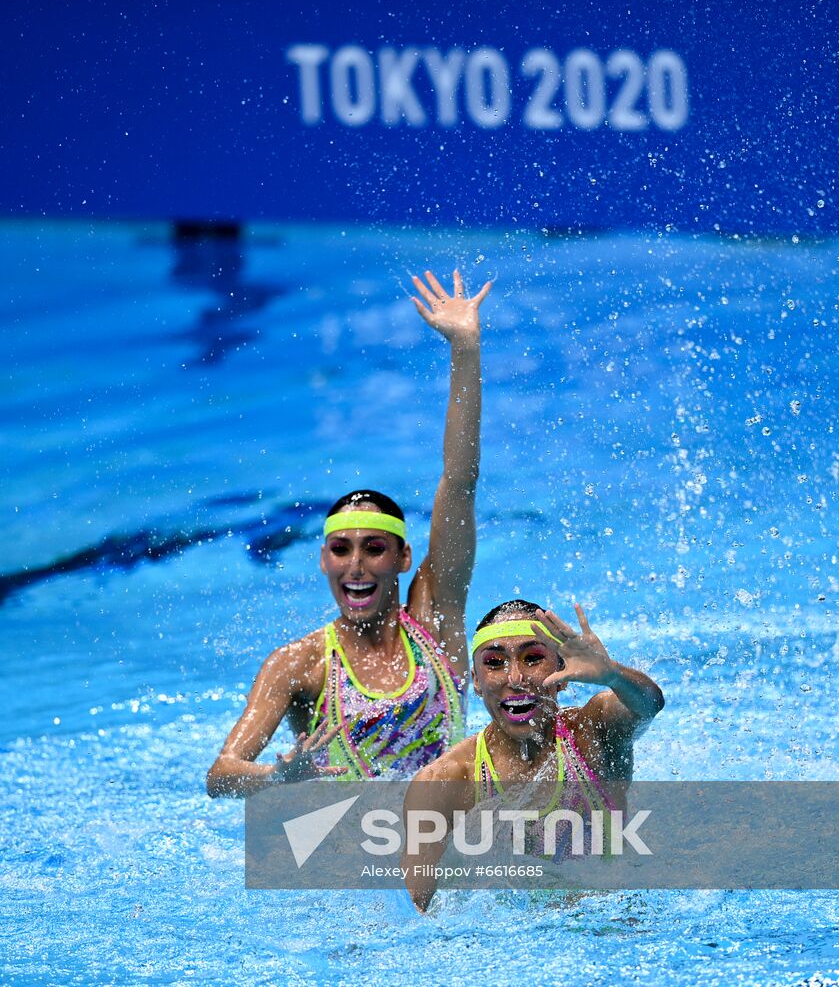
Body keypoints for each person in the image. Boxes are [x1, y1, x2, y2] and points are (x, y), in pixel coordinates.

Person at [207, 269, 491, 795]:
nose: (355, 565)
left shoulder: (436, 618)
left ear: (405, 558)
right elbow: (221, 775)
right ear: (323, 560)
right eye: (341, 550)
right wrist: (279, 777)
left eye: (374, 549)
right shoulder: (300, 663)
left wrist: (465, 349)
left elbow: (460, 482)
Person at [401, 599, 664, 912]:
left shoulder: (592, 733)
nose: (515, 678)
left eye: (532, 658)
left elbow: (647, 705)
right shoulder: (445, 782)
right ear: (476, 681)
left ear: (563, 673)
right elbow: (414, 912)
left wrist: (613, 676)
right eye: (495, 663)